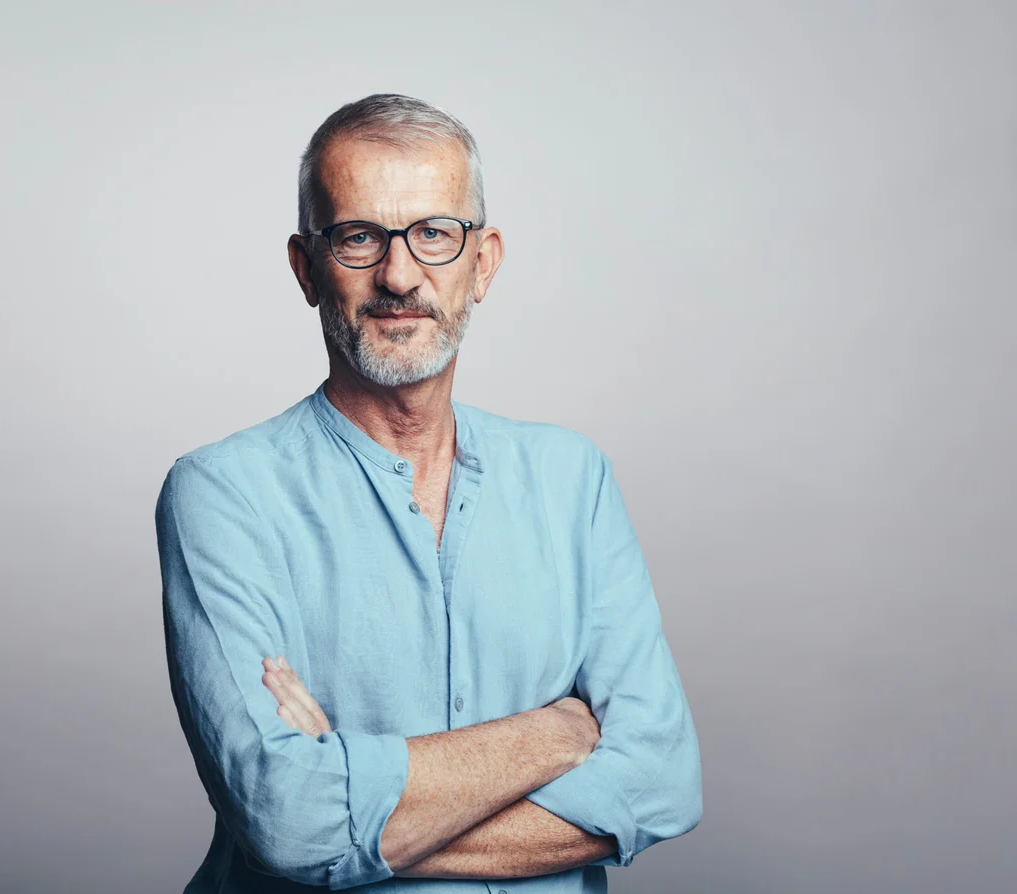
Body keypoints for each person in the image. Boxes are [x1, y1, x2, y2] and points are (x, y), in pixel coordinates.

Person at [154, 93, 702, 893]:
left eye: (435, 234)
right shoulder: (223, 494)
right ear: (306, 269)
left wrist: (352, 806)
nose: (400, 275)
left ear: (484, 262)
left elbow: (663, 781)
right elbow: (285, 820)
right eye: (358, 237)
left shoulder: (571, 479)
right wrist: (555, 735)